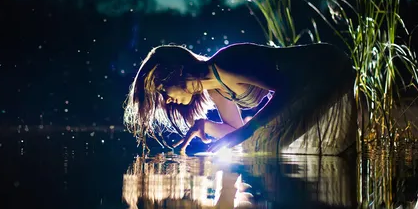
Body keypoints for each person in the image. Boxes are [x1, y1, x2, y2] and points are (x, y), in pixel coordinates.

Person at [123, 42, 357, 156]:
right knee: (257, 144)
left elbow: (285, 87)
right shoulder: (215, 90)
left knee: (263, 143)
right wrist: (206, 126)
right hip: (309, 81)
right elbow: (237, 132)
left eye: (163, 91)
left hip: (324, 66)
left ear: (177, 72)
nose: (166, 100)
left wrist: (247, 131)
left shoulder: (223, 66)